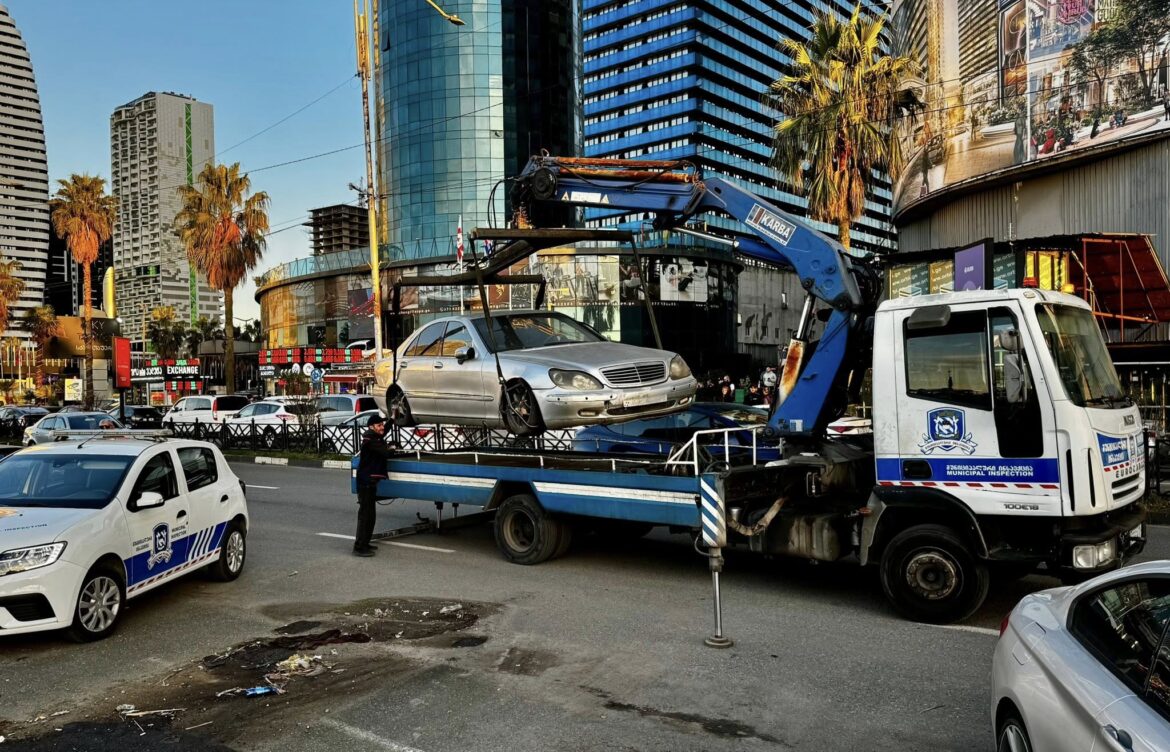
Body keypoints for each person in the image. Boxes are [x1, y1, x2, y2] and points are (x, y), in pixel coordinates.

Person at [354, 414, 393, 557]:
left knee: (371, 516)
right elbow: (386, 453)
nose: (382, 427)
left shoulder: (374, 436)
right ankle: (359, 547)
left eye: (382, 424)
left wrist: (392, 419)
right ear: (372, 427)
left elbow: (385, 430)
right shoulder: (371, 439)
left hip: (369, 482)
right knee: (366, 516)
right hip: (365, 483)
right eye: (379, 425)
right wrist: (392, 447)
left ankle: (365, 543)